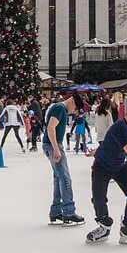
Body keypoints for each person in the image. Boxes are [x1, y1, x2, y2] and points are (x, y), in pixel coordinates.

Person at [86, 99, 127, 245]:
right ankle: (104, 225)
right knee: (99, 198)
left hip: (119, 165)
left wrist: (95, 150)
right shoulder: (120, 126)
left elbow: (109, 142)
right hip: (102, 166)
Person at [43, 93, 84, 226]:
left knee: (58, 177)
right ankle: (68, 211)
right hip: (53, 145)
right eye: (75, 108)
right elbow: (50, 127)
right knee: (65, 178)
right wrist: (55, 148)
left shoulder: (59, 108)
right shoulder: (60, 108)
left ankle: (56, 211)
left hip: (52, 144)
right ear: (71, 101)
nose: (74, 111)